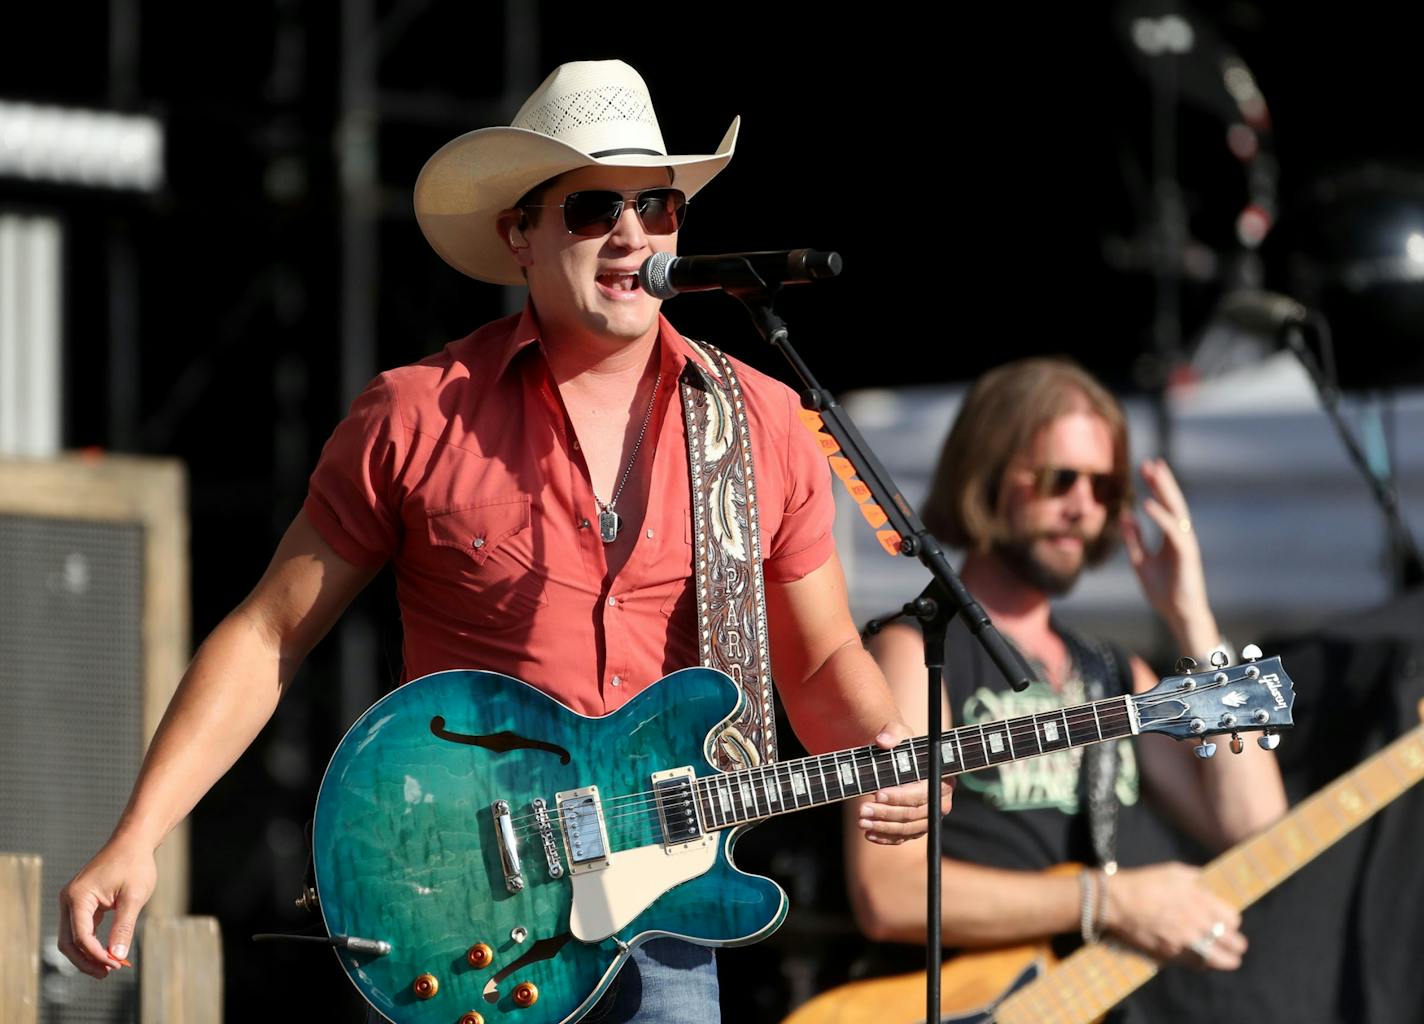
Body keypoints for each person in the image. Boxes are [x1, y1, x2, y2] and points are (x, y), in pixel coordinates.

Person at [58, 59, 946, 1022]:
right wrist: (139, 833)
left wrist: (888, 753)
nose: (631, 233)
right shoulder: (416, 416)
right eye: (592, 206)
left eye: (658, 206)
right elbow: (270, 636)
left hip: (665, 915)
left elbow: (818, 663)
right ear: (518, 234)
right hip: (468, 909)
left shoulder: (763, 420)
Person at [844, 358, 1287, 1010]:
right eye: (1060, 479)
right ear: (989, 473)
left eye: (1105, 488)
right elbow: (888, 891)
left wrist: (1192, 620)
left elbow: (1255, 827)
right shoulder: (915, 650)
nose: (1083, 506)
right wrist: (1106, 900)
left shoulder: (1113, 670)